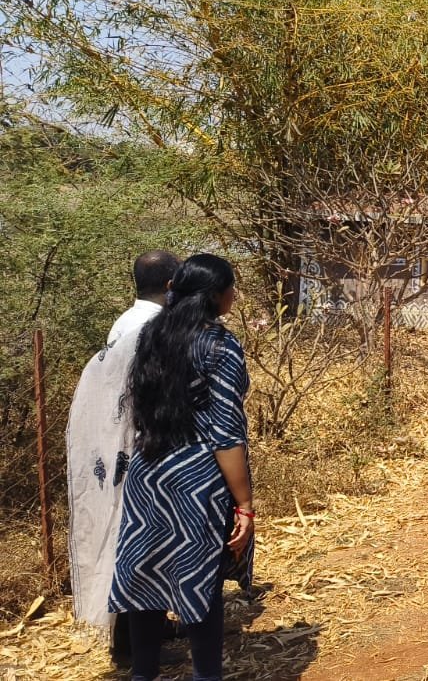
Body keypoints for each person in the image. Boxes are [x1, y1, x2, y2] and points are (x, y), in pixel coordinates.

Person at [109, 254, 253, 681]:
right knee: (199, 579)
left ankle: (143, 673)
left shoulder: (152, 335)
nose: (234, 295)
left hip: (147, 472)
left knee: (145, 574)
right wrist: (244, 502)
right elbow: (226, 432)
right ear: (215, 296)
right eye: (230, 287)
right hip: (196, 478)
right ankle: (206, 675)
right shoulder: (220, 346)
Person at [67, 251, 179, 658]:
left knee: (126, 539)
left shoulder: (124, 321)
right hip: (141, 447)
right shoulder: (152, 326)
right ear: (171, 286)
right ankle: (131, 644)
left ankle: (142, 633)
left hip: (120, 448)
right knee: (139, 543)